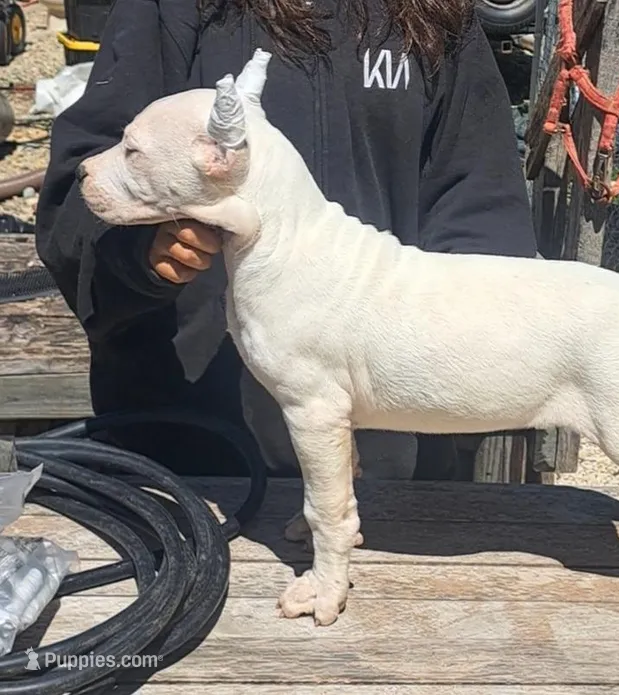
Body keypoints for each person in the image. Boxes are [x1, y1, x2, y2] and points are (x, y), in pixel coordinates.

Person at [34, 0, 538, 479]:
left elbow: (480, 205)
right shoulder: (176, 9)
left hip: (391, 461)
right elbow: (84, 181)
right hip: (193, 448)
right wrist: (140, 255)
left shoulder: (430, 15)